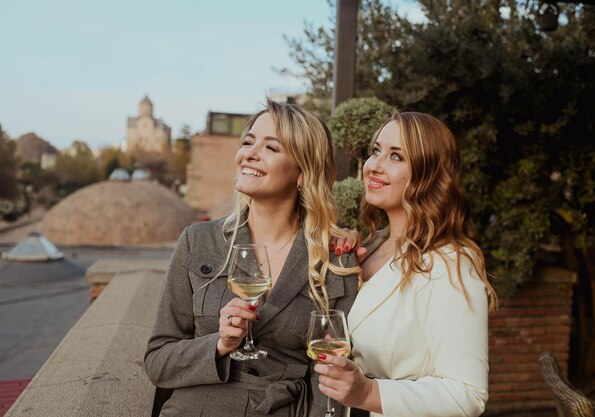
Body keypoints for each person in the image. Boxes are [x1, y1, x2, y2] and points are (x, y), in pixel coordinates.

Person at [144, 98, 360, 417]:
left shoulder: (335, 257)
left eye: (271, 148)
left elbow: (329, 375)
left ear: (302, 172)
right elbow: (157, 362)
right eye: (248, 142)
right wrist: (219, 345)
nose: (250, 153)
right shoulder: (198, 241)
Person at [315, 111, 498, 417]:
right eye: (376, 151)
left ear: (428, 174)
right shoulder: (368, 248)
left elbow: (467, 394)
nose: (374, 165)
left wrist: (369, 393)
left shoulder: (449, 262)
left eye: (396, 156)